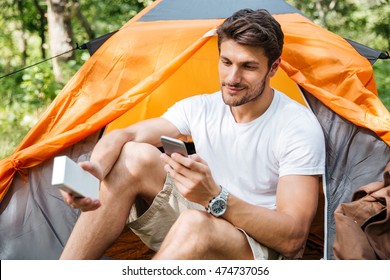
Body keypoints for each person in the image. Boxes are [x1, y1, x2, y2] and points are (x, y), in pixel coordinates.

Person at [60, 8, 325, 260]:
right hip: (206, 213)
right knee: (133, 155)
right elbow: (123, 134)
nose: (232, 78)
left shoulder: (296, 126)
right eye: (226, 62)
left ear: (274, 68)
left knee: (195, 223)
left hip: (258, 244)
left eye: (248, 66)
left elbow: (293, 239)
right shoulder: (201, 107)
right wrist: (95, 169)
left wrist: (214, 196)